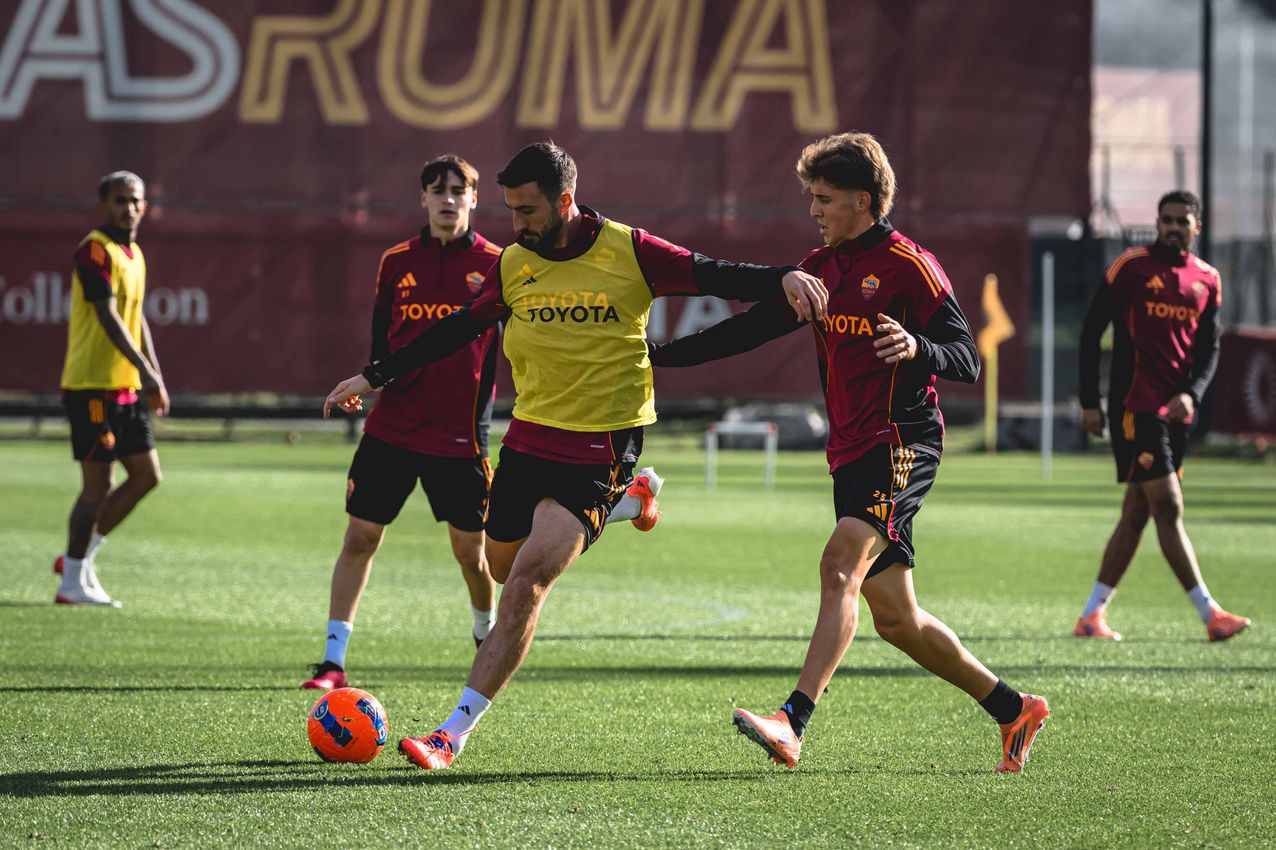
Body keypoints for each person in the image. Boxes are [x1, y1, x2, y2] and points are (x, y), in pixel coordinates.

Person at [323, 142, 828, 769]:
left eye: (528, 210)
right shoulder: (514, 264)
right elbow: (456, 329)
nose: (517, 223)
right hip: (530, 437)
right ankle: (630, 503)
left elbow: (712, 272)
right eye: (510, 210)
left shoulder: (630, 251)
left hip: (602, 444)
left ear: (565, 200)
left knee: (525, 588)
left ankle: (450, 734)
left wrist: (779, 275)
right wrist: (375, 375)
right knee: (501, 564)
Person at [649, 132, 1049, 773]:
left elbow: (967, 357)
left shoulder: (909, 265)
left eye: (824, 198)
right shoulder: (821, 268)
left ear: (863, 201)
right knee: (897, 620)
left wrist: (920, 348)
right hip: (851, 452)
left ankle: (792, 721)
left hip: (903, 442)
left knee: (840, 567)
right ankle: (1012, 708)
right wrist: (658, 358)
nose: (814, 209)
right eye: (812, 197)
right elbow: (749, 329)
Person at [302, 155, 504, 690]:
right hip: (391, 430)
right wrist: (367, 386)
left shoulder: (498, 263)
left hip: (460, 435)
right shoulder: (395, 261)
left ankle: (485, 632)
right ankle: (332, 662)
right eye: (437, 189)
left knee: (470, 552)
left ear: (474, 198)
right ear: (423, 198)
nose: (448, 198)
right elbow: (379, 342)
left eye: (458, 189)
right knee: (361, 536)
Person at [1075, 190, 1249, 643]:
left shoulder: (1207, 279)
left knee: (1137, 513)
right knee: (1168, 506)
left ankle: (1091, 616)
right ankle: (1210, 613)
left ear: (1197, 228)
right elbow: (1092, 332)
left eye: (1182, 221)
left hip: (1175, 413)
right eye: (1166, 220)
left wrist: (1193, 394)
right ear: (1157, 223)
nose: (1173, 227)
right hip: (1136, 408)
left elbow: (1211, 348)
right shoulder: (1130, 267)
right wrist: (1090, 401)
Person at [53, 171, 170, 607]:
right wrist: (147, 372)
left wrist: (152, 374)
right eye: (120, 200)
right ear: (104, 204)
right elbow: (108, 316)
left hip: (124, 387)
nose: (129, 207)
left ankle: (77, 560)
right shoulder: (94, 251)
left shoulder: (134, 253)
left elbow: (136, 318)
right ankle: (71, 584)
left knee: (146, 476)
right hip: (92, 386)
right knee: (97, 486)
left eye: (135, 200)